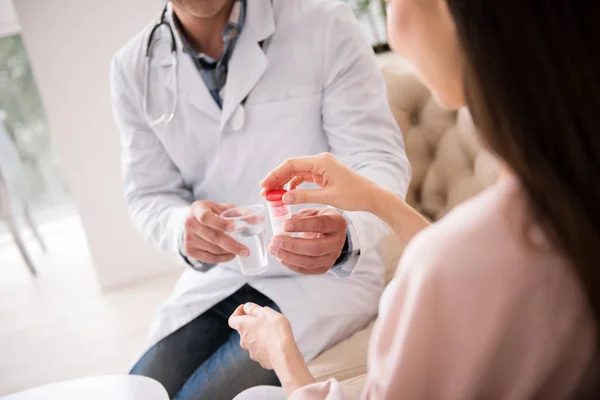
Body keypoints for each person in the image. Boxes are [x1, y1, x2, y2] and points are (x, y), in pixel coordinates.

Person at [229, 0, 600, 398]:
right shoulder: (567, 209)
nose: (390, 24)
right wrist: (377, 200)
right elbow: (476, 269)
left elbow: (462, 268)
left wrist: (282, 353)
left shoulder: (447, 265)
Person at [110, 0, 410, 399]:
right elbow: (149, 194)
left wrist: (347, 230)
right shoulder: (134, 67)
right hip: (223, 274)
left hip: (324, 278)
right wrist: (182, 228)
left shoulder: (322, 22)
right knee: (140, 391)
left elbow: (378, 159)